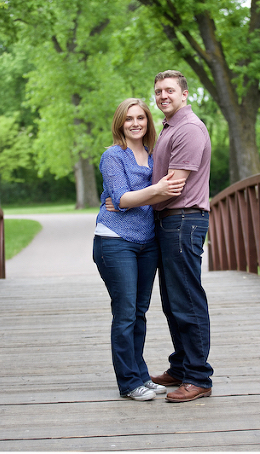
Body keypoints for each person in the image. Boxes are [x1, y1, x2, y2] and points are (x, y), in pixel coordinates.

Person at [107, 71, 213, 403]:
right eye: (158, 91)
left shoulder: (189, 129)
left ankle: (198, 376)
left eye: (169, 90)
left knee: (187, 300)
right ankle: (181, 367)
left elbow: (172, 187)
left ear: (185, 94)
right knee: (172, 301)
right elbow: (155, 185)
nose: (163, 95)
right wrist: (125, 196)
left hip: (184, 221)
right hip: (167, 223)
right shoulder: (170, 128)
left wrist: (126, 200)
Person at [93, 97, 186, 401]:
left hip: (147, 242)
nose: (135, 124)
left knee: (140, 312)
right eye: (128, 119)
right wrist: (151, 192)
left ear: (148, 121)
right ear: (120, 123)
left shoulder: (154, 154)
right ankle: (129, 382)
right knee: (125, 313)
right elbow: (120, 199)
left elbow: (132, 198)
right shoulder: (113, 156)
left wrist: (135, 197)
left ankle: (141, 375)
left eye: (141, 118)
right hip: (115, 240)